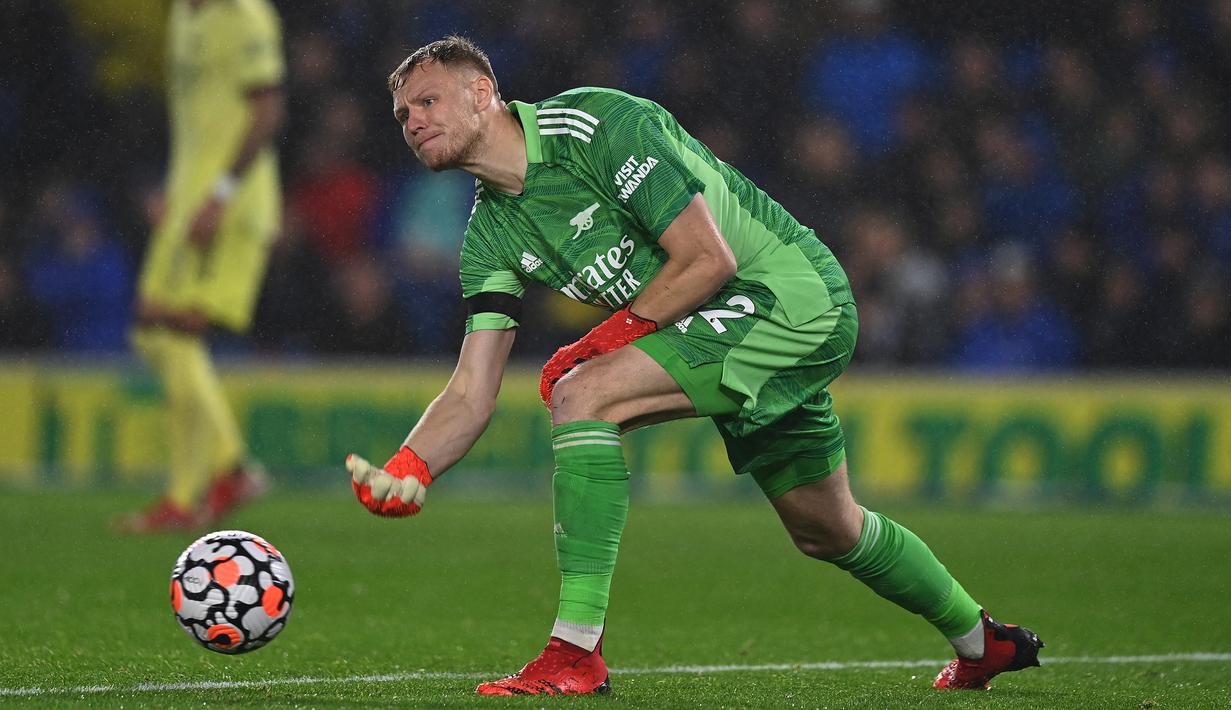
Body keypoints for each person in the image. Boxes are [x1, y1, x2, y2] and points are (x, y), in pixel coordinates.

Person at [347, 35, 1043, 696]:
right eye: (403, 114)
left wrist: (600, 344)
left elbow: (709, 259)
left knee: (583, 395)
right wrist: (411, 467)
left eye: (428, 101)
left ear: (482, 93)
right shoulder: (488, 238)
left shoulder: (593, 126)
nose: (413, 121)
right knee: (827, 527)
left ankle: (574, 653)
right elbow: (472, 389)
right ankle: (981, 641)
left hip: (787, 298)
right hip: (715, 329)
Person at [116, 0, 285, 533]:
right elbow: (199, 123)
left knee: (174, 329)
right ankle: (202, 486)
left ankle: (216, 478)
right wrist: (177, 189)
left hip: (230, 203)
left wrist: (220, 193)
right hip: (188, 199)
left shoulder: (244, 15)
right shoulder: (182, 16)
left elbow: (267, 111)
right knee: (154, 333)